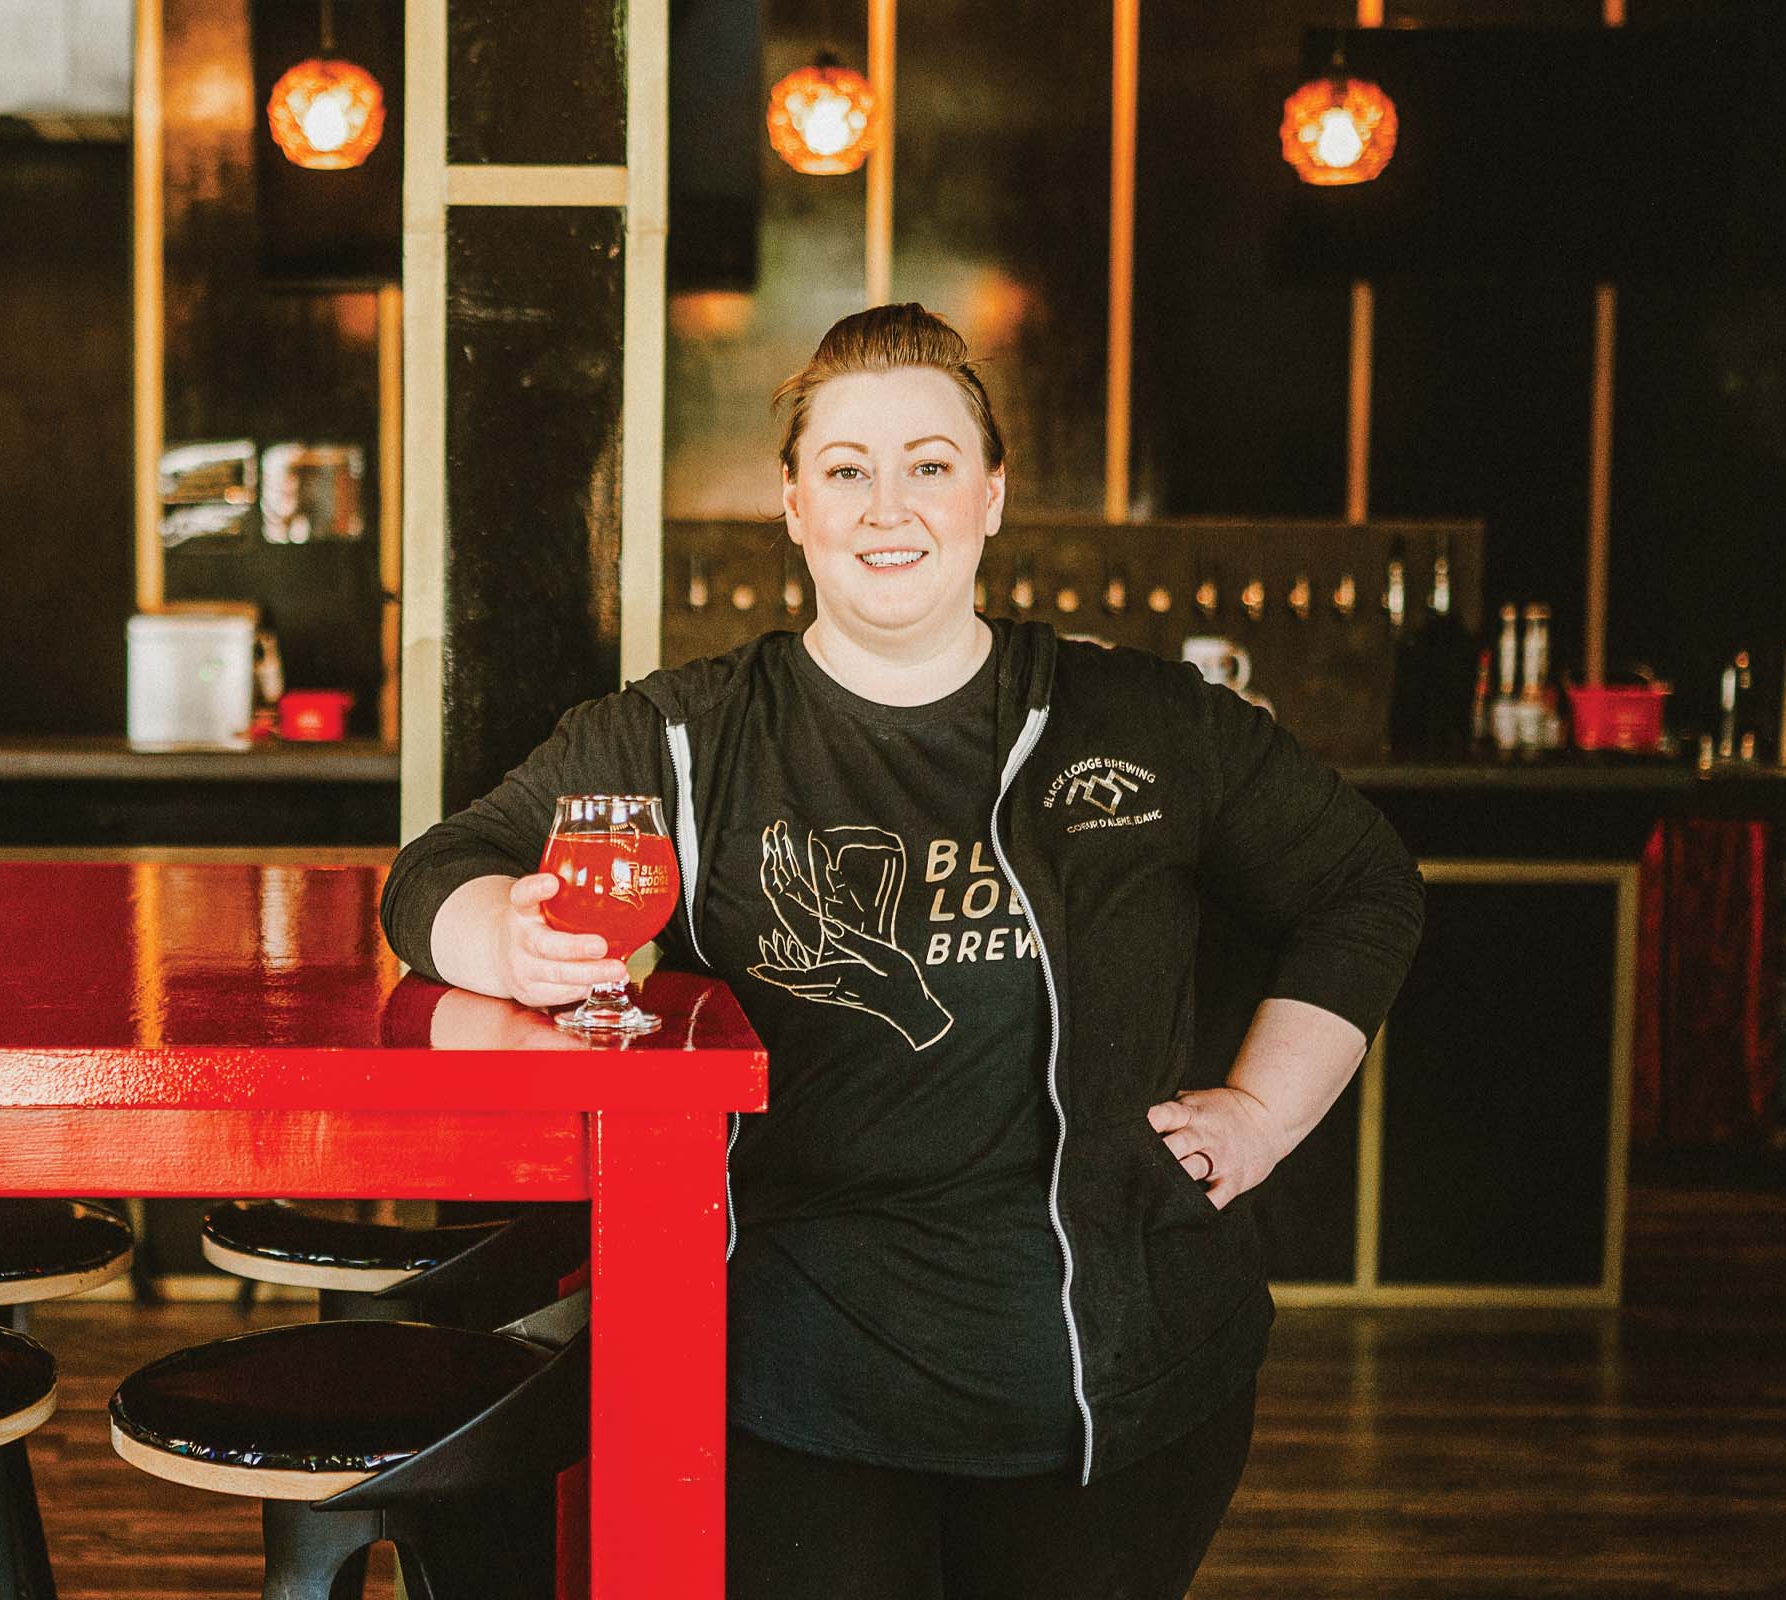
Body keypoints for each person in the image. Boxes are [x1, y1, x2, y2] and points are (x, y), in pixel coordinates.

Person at [382, 303, 1424, 1598]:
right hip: (800, 1378)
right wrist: (510, 938)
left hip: (1117, 1381)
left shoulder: (1143, 719)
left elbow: (1363, 884)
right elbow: (433, 874)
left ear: (990, 495)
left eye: (930, 465)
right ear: (793, 504)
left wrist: (1266, 1114)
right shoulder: (687, 739)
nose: (891, 507)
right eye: (846, 471)